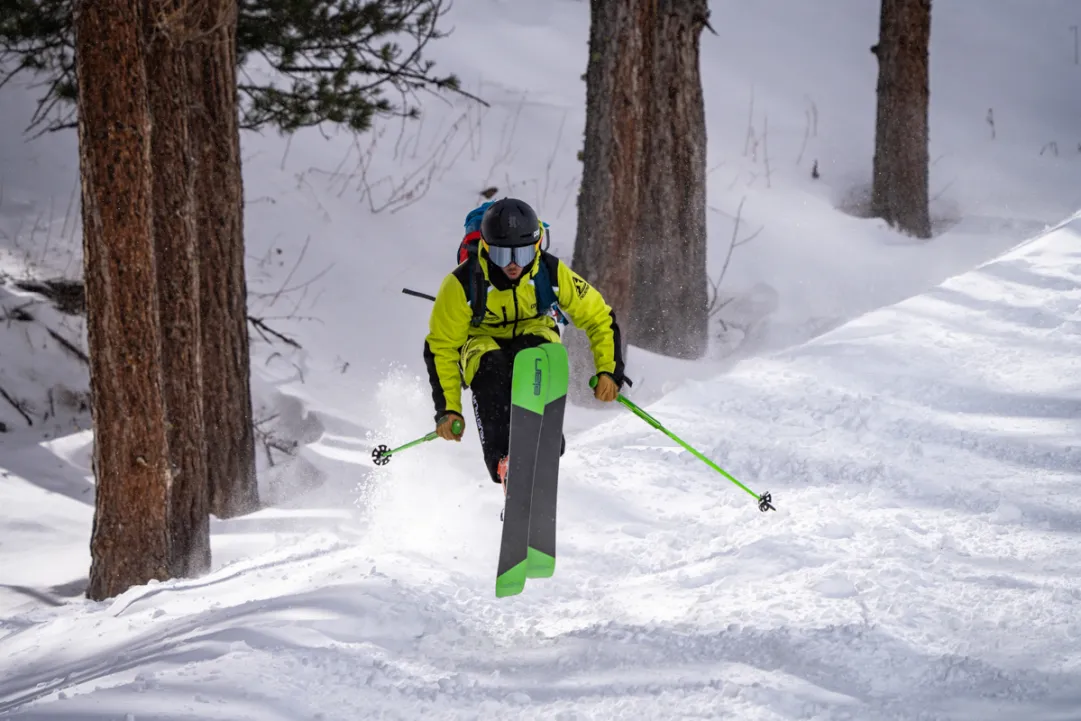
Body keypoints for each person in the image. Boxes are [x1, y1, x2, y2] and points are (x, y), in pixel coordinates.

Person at [423, 197, 625, 492]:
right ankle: (504, 462)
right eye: (504, 256)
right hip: (481, 342)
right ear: (487, 249)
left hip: (534, 333)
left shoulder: (551, 272)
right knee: (492, 368)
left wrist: (609, 370)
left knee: (535, 357)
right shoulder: (461, 284)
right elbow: (441, 348)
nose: (515, 265)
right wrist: (448, 408)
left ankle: (545, 442)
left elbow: (599, 316)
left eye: (524, 253)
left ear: (538, 246)